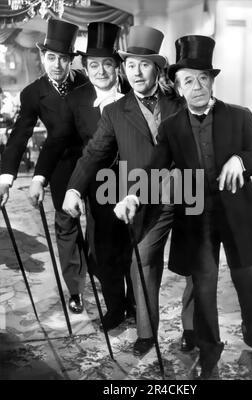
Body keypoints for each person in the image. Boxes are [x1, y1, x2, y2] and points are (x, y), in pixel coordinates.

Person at [114, 35, 252, 378]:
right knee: (204, 288)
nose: (197, 86)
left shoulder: (240, 116)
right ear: (177, 88)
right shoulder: (172, 127)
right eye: (188, 80)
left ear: (212, 81)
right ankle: (209, 351)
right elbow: (155, 168)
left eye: (203, 79)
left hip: (241, 215)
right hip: (197, 218)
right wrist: (133, 194)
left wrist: (241, 159)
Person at [62, 25, 193, 356]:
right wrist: (74, 189)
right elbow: (93, 153)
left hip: (189, 192)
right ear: (124, 68)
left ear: (157, 69)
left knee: (198, 263)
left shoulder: (180, 102)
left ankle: (193, 328)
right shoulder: (115, 112)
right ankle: (147, 333)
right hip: (147, 198)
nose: (136, 72)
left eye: (144, 64)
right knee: (144, 260)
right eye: (131, 64)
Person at [32, 22, 135, 330]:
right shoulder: (76, 100)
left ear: (116, 65)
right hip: (100, 186)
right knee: (104, 250)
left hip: (137, 184)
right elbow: (57, 140)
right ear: (86, 68)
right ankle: (116, 306)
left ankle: (136, 304)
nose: (100, 71)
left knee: (134, 249)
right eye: (93, 65)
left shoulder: (135, 94)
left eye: (106, 64)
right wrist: (39, 177)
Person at [0, 19, 88, 314]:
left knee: (103, 228)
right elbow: (19, 137)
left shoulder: (87, 82)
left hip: (97, 163)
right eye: (52, 58)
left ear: (70, 60)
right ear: (43, 57)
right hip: (60, 164)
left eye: (63, 59)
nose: (57, 65)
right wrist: (6, 178)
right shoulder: (32, 93)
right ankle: (75, 289)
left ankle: (104, 275)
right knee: (66, 227)